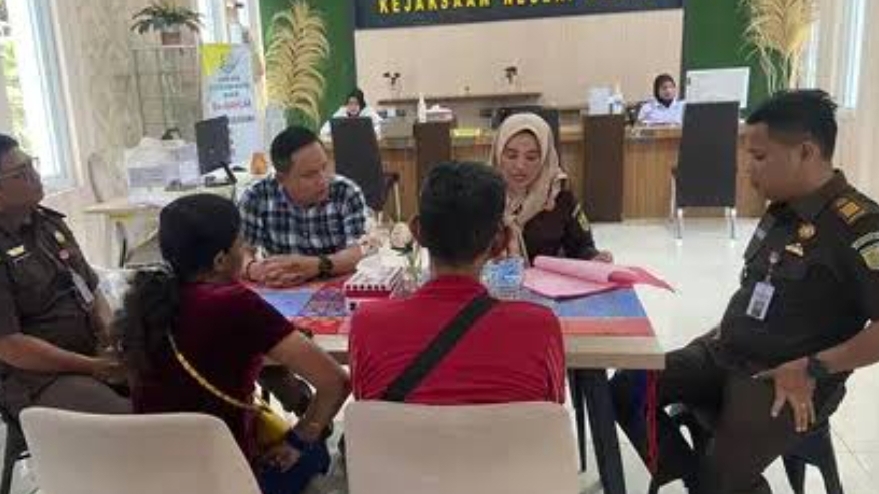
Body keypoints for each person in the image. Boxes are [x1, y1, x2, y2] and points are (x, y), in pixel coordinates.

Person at [611, 90, 879, 494]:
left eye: (759, 157)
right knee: (627, 387)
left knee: (722, 479)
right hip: (725, 352)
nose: (748, 169)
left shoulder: (858, 227)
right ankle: (695, 479)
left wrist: (814, 368)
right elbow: (761, 291)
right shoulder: (782, 210)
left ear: (806, 152)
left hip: (786, 379)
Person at [122, 194, 350, 494]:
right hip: (225, 476)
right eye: (241, 243)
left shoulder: (145, 299)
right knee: (317, 451)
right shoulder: (234, 303)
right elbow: (336, 382)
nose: (245, 250)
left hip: (153, 476)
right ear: (220, 260)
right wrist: (298, 442)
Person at [349, 162, 566, 404]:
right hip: (505, 432)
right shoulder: (540, 328)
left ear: (417, 232)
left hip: (399, 431)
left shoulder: (367, 325)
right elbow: (553, 410)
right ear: (500, 242)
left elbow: (365, 403)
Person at [239, 125, 366, 415]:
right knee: (253, 346)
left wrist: (318, 265)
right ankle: (302, 405)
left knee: (362, 349)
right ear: (281, 178)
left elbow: (359, 251)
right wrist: (255, 269)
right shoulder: (257, 196)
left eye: (324, 167)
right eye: (309, 174)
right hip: (281, 295)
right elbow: (241, 252)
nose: (322, 180)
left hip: (337, 295)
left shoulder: (346, 192)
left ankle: (336, 415)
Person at [0, 134, 129, 418]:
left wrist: (112, 339)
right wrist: (92, 366)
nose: (35, 177)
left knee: (167, 388)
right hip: (38, 377)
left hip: (91, 352)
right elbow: (10, 347)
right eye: (21, 174)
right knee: (127, 418)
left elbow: (92, 289)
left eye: (32, 165)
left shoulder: (49, 223)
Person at [490, 112, 612, 264]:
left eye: (531, 157)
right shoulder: (482, 194)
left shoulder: (558, 194)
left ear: (545, 159)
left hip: (547, 279)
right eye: (511, 156)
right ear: (498, 155)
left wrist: (594, 258)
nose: (520, 166)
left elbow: (582, 247)